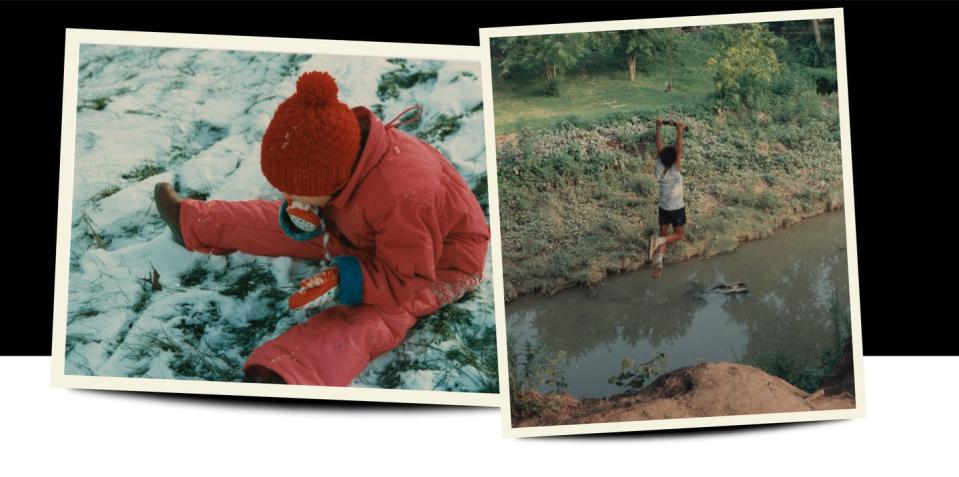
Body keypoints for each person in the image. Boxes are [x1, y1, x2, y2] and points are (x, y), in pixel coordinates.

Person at [153, 71, 490, 386]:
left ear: (330, 182)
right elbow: (312, 195)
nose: (288, 197)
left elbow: (406, 278)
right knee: (275, 222)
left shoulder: (404, 196)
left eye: (295, 192)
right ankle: (192, 222)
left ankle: (288, 372)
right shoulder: (338, 157)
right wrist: (300, 215)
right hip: (364, 230)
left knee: (378, 314)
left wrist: (344, 279)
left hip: (436, 263)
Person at [648, 118, 687, 279]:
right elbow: (679, 149)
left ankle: (658, 262)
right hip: (676, 208)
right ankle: (657, 242)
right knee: (678, 235)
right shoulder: (675, 170)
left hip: (663, 208)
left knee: (663, 235)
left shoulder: (659, 166)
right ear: (675, 160)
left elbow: (660, 147)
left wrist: (658, 128)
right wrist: (679, 131)